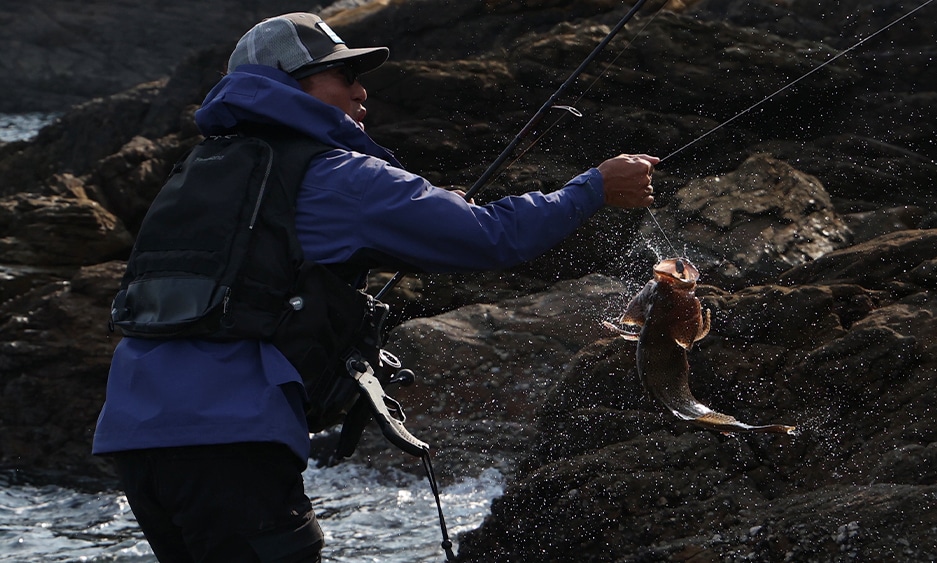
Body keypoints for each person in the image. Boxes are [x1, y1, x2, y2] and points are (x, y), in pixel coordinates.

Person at [93, 11, 658, 563]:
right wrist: (594, 188)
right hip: (229, 440)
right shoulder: (337, 175)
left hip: (133, 438)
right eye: (345, 76)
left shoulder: (197, 170)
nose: (363, 93)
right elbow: (492, 237)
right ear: (288, 86)